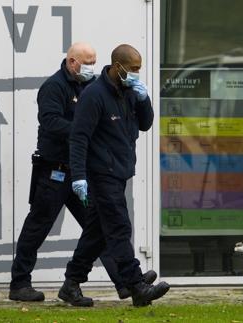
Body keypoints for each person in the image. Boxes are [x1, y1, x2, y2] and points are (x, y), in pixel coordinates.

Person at [9, 42, 156, 304]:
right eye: (87, 62)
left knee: (99, 227)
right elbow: (52, 122)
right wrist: (88, 130)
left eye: (94, 61)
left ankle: (122, 281)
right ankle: (20, 282)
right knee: (39, 225)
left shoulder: (92, 88)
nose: (91, 67)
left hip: (84, 170)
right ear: (72, 61)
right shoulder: (54, 87)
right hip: (56, 170)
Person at [59, 44, 170, 307]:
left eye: (139, 69)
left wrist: (144, 101)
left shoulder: (130, 91)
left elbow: (144, 124)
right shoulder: (94, 95)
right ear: (118, 66)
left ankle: (71, 283)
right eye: (133, 69)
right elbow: (79, 137)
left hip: (120, 171)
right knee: (119, 226)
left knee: (97, 232)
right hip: (101, 173)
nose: (136, 74)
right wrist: (78, 176)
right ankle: (136, 285)